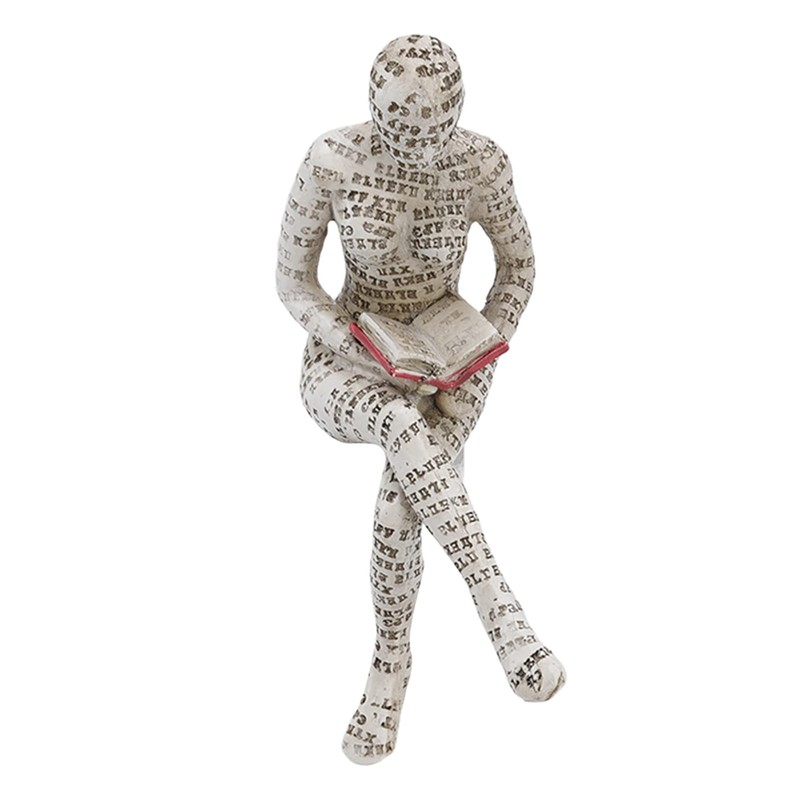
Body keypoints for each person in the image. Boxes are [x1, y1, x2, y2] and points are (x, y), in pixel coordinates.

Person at [277, 34, 565, 764]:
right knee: (400, 420)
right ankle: (500, 610)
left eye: (435, 128)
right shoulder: (332, 160)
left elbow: (519, 266)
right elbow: (293, 282)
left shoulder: (481, 163)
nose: (418, 146)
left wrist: (488, 342)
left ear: (457, 112)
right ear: (373, 110)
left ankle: (388, 665)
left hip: (452, 355)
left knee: (401, 491)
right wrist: (355, 346)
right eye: (401, 127)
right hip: (350, 356)